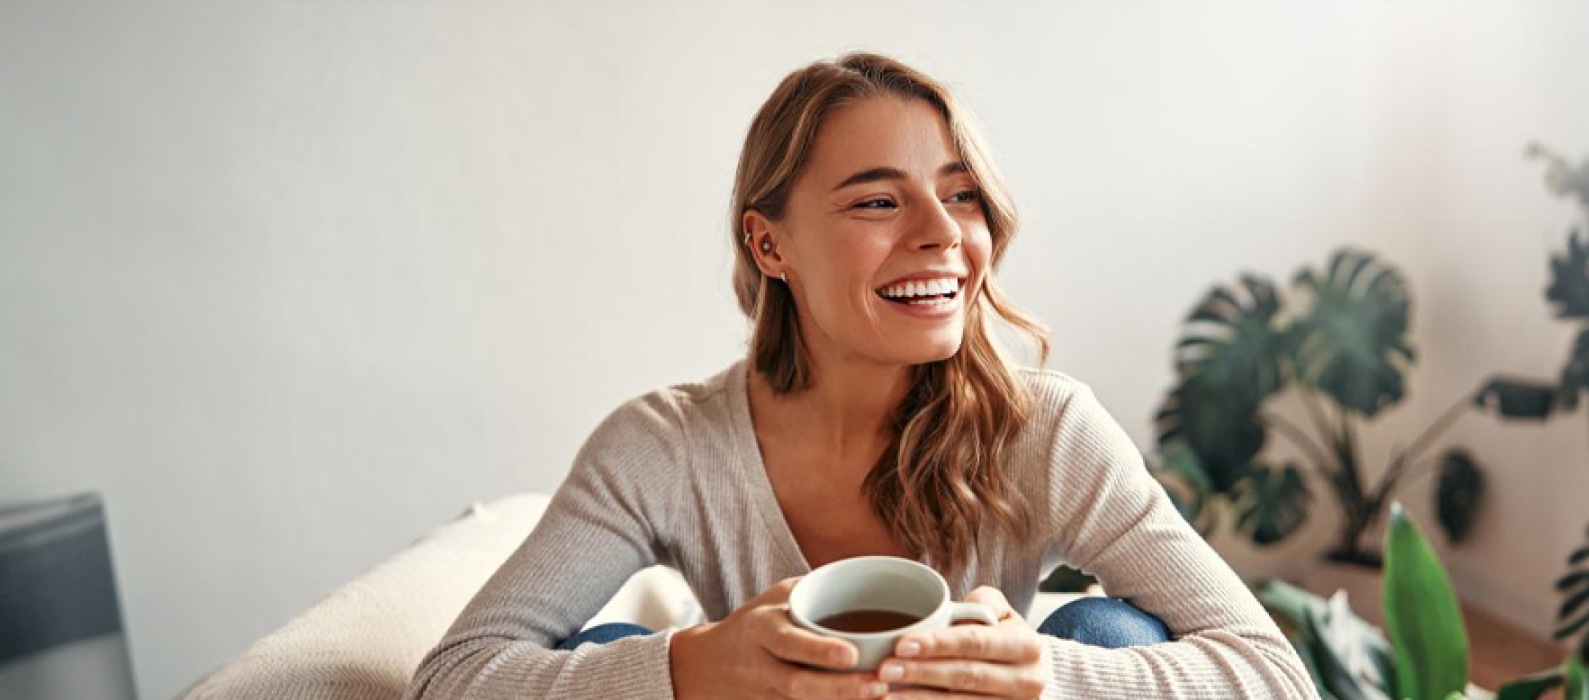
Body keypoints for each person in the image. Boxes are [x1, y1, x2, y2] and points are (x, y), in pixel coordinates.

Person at [405, 52, 1317, 700]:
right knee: (614, 655)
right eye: (879, 200)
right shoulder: (665, 447)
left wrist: (1049, 678)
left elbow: (1274, 676)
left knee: (1109, 640)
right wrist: (690, 669)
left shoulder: (1047, 428)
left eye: (960, 193)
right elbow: (454, 677)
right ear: (770, 244)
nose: (942, 233)